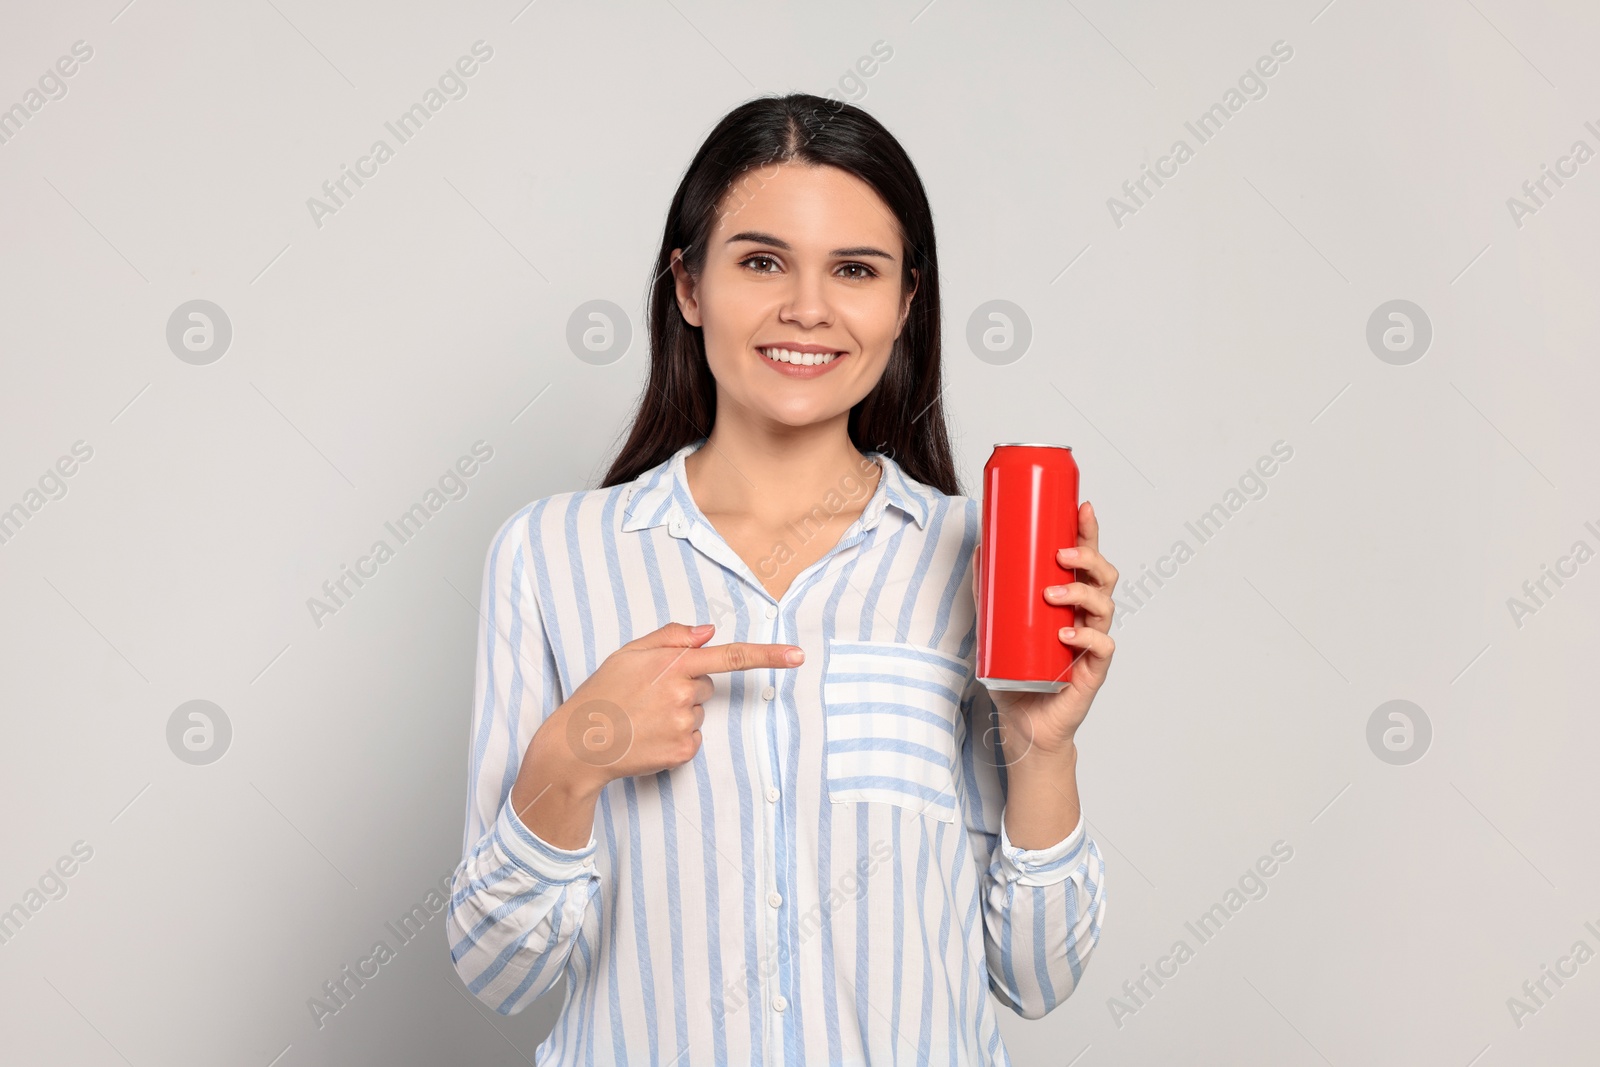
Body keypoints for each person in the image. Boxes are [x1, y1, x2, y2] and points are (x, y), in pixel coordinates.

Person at [447, 92, 1119, 1065]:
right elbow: (497, 971)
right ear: (686, 286)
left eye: (854, 269)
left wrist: (1042, 747)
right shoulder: (551, 553)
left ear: (905, 302)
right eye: (761, 261)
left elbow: (1037, 977)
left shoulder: (981, 563)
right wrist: (575, 753)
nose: (807, 307)